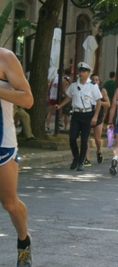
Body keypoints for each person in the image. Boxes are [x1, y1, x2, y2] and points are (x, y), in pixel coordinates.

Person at [0, 47, 34, 266]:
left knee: (10, 203)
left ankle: (24, 242)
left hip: (2, 141)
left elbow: (27, 99)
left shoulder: (5, 58)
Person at [55, 62, 102, 171]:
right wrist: (60, 105)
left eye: (83, 71)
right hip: (76, 114)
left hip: (87, 114)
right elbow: (68, 97)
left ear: (88, 73)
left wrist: (95, 117)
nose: (81, 73)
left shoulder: (93, 86)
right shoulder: (74, 85)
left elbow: (98, 102)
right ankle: (76, 157)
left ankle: (81, 161)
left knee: (84, 139)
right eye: (80, 71)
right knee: (72, 138)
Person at [84, 74, 110, 166]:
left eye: (97, 80)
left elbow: (108, 104)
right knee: (85, 138)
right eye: (93, 80)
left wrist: (99, 102)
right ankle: (87, 159)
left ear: (99, 81)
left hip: (98, 116)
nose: (95, 81)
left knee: (97, 139)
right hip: (88, 115)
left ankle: (98, 151)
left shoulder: (102, 91)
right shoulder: (86, 90)